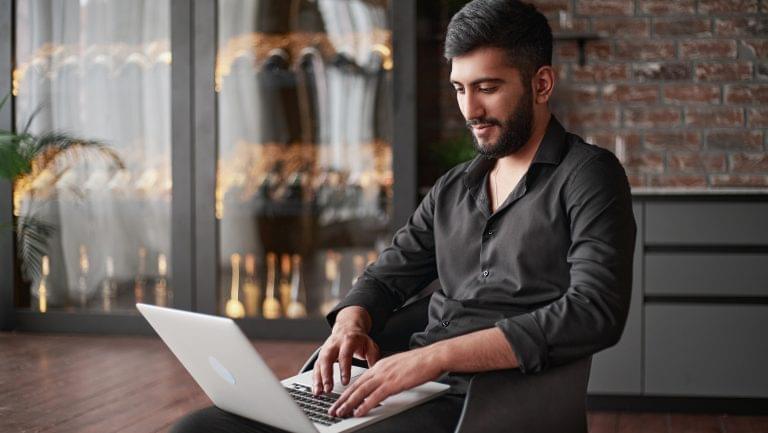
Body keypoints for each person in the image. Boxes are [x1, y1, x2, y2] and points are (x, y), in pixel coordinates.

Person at [170, 1, 636, 432]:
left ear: (541, 84)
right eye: (460, 89)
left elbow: (595, 311)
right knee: (198, 429)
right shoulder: (455, 187)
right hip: (409, 386)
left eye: (488, 88)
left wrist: (434, 358)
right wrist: (350, 324)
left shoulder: (589, 176)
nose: (470, 110)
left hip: (490, 401)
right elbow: (387, 277)